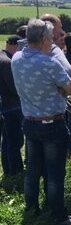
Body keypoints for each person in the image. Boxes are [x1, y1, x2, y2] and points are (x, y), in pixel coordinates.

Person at [11, 19, 71, 225]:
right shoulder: (50, 63)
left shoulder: (16, 58)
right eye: (51, 39)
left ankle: (31, 208)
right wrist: (59, 89)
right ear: (45, 40)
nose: (53, 42)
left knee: (32, 170)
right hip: (52, 124)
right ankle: (58, 214)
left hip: (29, 122)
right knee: (55, 173)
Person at [0, 35, 24, 175]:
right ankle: (15, 170)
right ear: (16, 46)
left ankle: (9, 169)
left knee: (7, 141)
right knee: (15, 141)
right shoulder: (7, 62)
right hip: (12, 106)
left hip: (5, 106)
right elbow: (14, 88)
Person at [40, 14, 71, 79]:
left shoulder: (27, 49)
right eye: (60, 28)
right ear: (50, 28)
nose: (62, 31)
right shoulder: (54, 49)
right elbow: (69, 72)